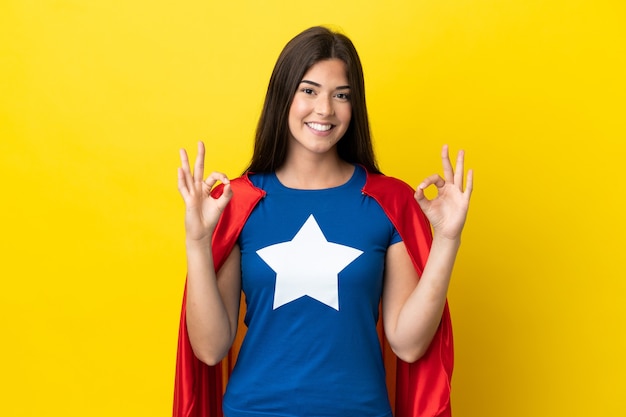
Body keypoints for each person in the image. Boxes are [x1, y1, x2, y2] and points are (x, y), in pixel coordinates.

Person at [173, 26, 473, 417]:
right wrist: (197, 242)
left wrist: (448, 239)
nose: (325, 109)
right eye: (309, 90)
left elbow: (409, 344)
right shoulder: (238, 201)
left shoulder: (389, 201)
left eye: (341, 95)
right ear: (284, 96)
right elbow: (210, 349)